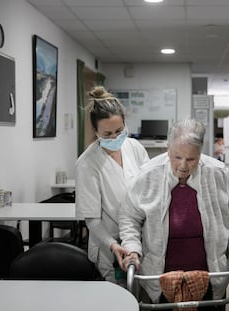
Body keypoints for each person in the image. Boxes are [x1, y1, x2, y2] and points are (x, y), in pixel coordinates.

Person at [119, 119, 229, 308]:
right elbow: (129, 216)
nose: (183, 166)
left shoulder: (217, 173)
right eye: (177, 157)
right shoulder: (148, 175)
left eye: (191, 159)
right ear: (168, 148)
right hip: (160, 276)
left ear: (200, 153)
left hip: (211, 275)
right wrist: (132, 248)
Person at [75, 86, 150, 284]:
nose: (115, 138)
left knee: (143, 296)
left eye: (119, 130)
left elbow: (150, 189)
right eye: (107, 134)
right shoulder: (87, 163)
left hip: (141, 239)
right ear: (96, 131)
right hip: (109, 247)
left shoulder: (134, 147)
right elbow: (92, 220)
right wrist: (113, 245)